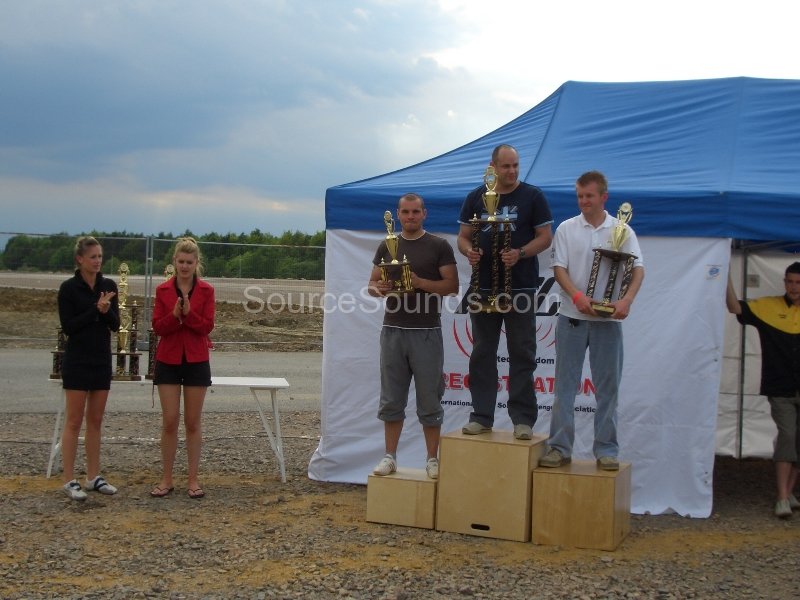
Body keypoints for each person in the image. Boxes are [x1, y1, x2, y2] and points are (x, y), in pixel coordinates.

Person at [539, 170, 644, 471]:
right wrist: (576, 296)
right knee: (564, 387)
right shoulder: (567, 228)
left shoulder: (622, 230)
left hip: (607, 322)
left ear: (603, 197)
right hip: (571, 318)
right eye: (580, 196)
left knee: (608, 389)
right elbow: (559, 269)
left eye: (589, 196)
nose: (584, 201)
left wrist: (626, 300)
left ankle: (606, 450)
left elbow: (638, 269)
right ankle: (559, 447)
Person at [456, 144, 553, 440]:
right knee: (482, 352)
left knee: (522, 352)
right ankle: (481, 416)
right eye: (506, 166)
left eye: (515, 166)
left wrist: (520, 253)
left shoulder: (532, 196)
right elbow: (463, 237)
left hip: (520, 286)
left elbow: (545, 237)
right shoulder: (476, 197)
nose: (512, 171)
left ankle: (522, 419)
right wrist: (469, 251)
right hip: (483, 286)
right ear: (493, 167)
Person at [368, 193, 459, 479]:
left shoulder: (439, 245)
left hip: (426, 331)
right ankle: (390, 457)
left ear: (424, 214)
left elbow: (452, 286)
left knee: (430, 399)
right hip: (393, 330)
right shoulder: (387, 245)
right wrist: (380, 289)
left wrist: (419, 282)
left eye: (415, 212)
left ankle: (432, 459)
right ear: (398, 215)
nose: (410, 217)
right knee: (391, 398)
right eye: (405, 212)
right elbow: (371, 285)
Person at [726, 261, 800, 518]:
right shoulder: (769, 307)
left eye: (798, 283)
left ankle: (789, 491)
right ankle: (782, 497)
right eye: (790, 282)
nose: (794, 287)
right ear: (784, 283)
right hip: (780, 388)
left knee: (797, 440)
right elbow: (734, 307)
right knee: (788, 435)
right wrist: (725, 272)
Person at [150, 237, 215, 499]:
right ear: (174, 262)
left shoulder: (207, 291)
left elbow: (207, 326)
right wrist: (175, 316)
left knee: (192, 422)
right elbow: (158, 327)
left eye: (189, 262)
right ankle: (166, 478)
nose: (185, 266)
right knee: (169, 420)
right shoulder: (163, 290)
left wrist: (189, 314)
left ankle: (193, 479)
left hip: (196, 360)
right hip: (169, 360)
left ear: (196, 263)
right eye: (181, 262)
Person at [57, 236, 120, 501]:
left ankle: (93, 476)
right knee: (74, 420)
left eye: (100, 256)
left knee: (95, 420)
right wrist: (95, 309)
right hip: (77, 360)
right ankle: (69, 479)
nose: (97, 261)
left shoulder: (108, 286)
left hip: (101, 359)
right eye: (92, 257)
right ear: (80, 259)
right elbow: (69, 327)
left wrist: (106, 311)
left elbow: (116, 324)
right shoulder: (69, 289)